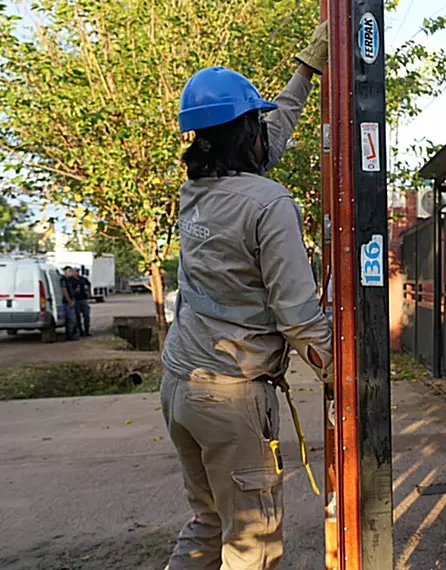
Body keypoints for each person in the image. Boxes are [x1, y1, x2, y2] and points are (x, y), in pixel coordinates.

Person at [159, 22, 332, 570]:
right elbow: (299, 316)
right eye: (257, 123)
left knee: (209, 524)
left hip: (181, 388)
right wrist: (343, 372)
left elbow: (266, 137)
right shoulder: (267, 202)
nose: (266, 132)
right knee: (251, 545)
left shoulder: (197, 192)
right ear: (245, 133)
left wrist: (305, 71)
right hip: (230, 399)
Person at [66, 267, 92, 337]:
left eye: (78, 271)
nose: (77, 273)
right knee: (77, 316)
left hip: (83, 299)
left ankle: (87, 330)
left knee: (86, 315)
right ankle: (80, 331)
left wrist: (89, 292)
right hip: (76, 299)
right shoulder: (70, 280)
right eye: (76, 271)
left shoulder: (82, 279)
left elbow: (89, 284)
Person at [59, 267, 79, 341]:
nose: (71, 272)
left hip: (71, 300)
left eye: (71, 271)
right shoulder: (63, 280)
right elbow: (64, 291)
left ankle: (70, 334)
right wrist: (69, 301)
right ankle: (70, 335)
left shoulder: (69, 280)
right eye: (69, 271)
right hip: (67, 302)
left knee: (72, 319)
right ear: (65, 272)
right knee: (71, 319)